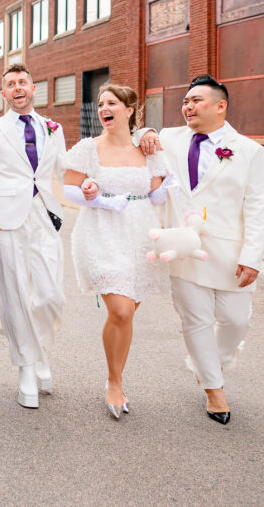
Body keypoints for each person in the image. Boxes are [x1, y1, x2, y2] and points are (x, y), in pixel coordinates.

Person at [131, 75, 264, 425]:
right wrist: (144, 132)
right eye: (186, 101)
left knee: (236, 320)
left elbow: (257, 207)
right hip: (182, 248)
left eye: (197, 100)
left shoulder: (250, 151)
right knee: (195, 321)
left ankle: (211, 362)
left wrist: (252, 256)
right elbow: (134, 137)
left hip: (229, 253)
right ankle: (214, 389)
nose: (188, 106)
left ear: (220, 106)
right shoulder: (170, 138)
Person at [62, 84, 170, 419]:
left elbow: (156, 197)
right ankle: (113, 380)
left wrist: (169, 186)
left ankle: (118, 378)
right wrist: (99, 197)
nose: (103, 109)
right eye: (100, 104)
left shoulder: (147, 149)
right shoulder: (88, 148)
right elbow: (69, 188)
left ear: (130, 109)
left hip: (141, 234)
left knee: (127, 313)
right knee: (121, 310)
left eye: (111, 103)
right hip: (101, 232)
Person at [0, 63, 66, 409]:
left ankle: (39, 350)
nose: (17, 87)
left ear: (33, 87)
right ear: (4, 93)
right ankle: (27, 365)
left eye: (22, 81)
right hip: (5, 220)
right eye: (10, 84)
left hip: (44, 216)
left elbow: (66, 171)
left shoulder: (53, 128)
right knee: (15, 295)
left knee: (49, 294)